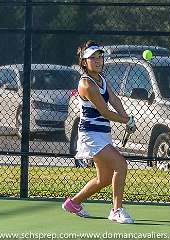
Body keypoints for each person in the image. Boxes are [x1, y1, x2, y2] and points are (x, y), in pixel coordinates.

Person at [62, 40, 137, 224]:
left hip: (101, 134)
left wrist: (127, 117)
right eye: (92, 58)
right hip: (90, 136)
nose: (97, 61)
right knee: (121, 165)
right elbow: (104, 111)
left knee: (103, 179)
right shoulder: (87, 85)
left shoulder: (101, 79)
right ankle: (116, 210)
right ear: (84, 63)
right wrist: (126, 121)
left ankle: (73, 204)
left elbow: (114, 99)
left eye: (100, 57)